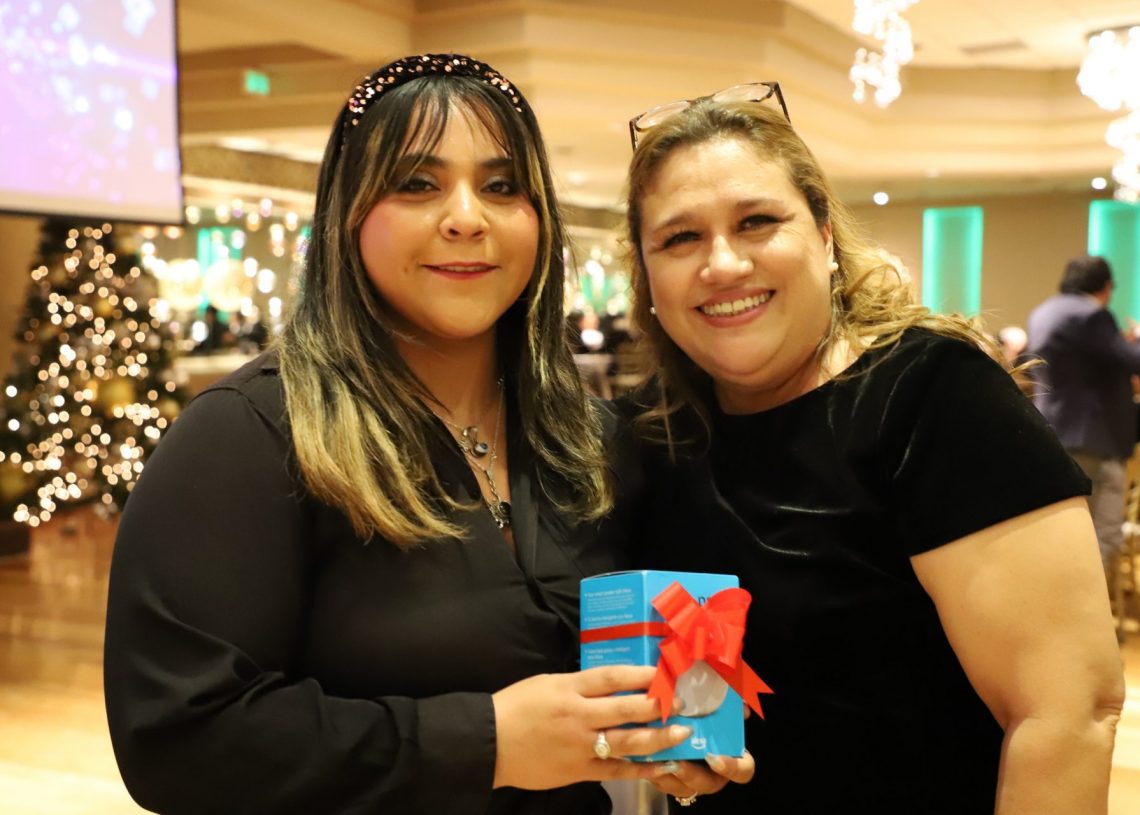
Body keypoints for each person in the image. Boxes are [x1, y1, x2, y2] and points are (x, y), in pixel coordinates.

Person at [103, 54, 750, 814]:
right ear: (349, 214)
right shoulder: (251, 434)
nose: (467, 217)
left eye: (502, 186)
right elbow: (178, 741)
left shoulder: (587, 439)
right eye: (417, 183)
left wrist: (678, 726)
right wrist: (486, 742)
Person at [610, 83, 1125, 812]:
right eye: (679, 238)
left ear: (825, 237)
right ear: (647, 276)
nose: (722, 263)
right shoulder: (652, 434)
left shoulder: (933, 395)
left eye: (757, 221)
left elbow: (1069, 713)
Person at [1027, 255, 1140, 604]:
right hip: (1094, 439)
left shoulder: (1042, 313)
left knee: (1061, 532)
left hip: (1053, 432)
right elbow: (1132, 360)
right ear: (1105, 287)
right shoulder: (1091, 315)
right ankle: (1084, 609)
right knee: (1101, 534)